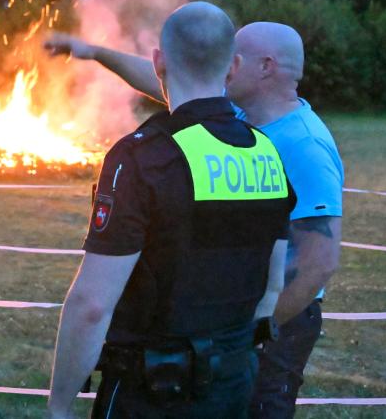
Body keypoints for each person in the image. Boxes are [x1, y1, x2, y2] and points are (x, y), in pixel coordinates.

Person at [46, 21, 343, 417]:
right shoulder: (240, 119)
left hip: (270, 322)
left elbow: (317, 263)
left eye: (234, 55)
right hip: (222, 316)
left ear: (262, 67)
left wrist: (252, 334)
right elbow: (176, 80)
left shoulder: (302, 145)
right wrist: (96, 52)